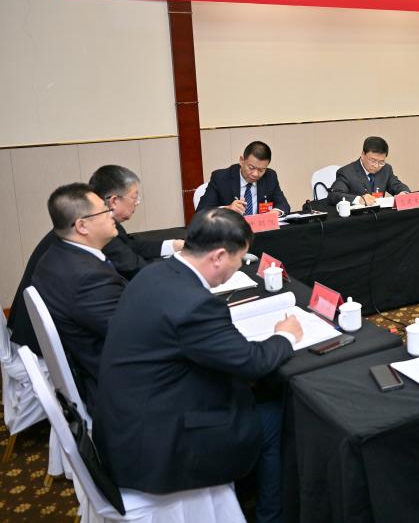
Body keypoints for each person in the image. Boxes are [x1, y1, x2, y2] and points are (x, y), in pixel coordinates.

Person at [94, 209, 301, 523]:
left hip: (126, 420)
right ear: (218, 256)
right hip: (158, 446)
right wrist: (285, 337)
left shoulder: (155, 273)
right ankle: (270, 516)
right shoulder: (195, 304)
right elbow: (251, 362)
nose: (238, 267)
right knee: (275, 416)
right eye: (239, 259)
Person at [30, 184, 126, 409]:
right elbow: (135, 335)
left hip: (91, 366)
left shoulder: (54, 257)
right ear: (82, 226)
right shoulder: (88, 278)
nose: (112, 214)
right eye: (105, 210)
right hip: (119, 386)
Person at [88, 165, 183, 279]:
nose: (137, 203)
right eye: (134, 197)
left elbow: (131, 245)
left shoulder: (108, 223)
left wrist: (174, 245)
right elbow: (134, 268)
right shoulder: (102, 232)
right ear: (114, 201)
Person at [196, 140, 290, 215]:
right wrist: (227, 209)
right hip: (231, 231)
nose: (255, 174)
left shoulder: (270, 177)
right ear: (242, 161)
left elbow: (283, 205)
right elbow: (201, 211)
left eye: (261, 170)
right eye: (251, 168)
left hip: (261, 230)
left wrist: (275, 212)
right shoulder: (221, 178)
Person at [326, 136, 410, 206]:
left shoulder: (385, 169)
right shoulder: (347, 172)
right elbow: (334, 195)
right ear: (363, 154)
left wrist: (403, 193)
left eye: (381, 162)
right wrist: (359, 199)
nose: (376, 166)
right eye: (373, 161)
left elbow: (397, 185)